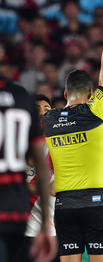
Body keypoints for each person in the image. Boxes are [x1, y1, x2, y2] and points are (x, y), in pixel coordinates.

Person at [42, 0, 103, 262]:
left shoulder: (50, 120)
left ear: (65, 92)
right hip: (95, 204)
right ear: (91, 93)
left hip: (64, 207)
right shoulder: (94, 109)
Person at [0, 76, 57, 262]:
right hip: (18, 211)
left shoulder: (57, 146)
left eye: (46, 108)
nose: (42, 113)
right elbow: (41, 169)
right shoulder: (20, 98)